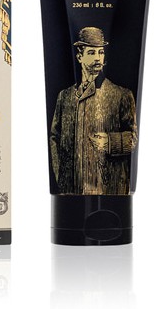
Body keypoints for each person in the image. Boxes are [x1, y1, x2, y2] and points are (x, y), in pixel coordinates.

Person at [50, 27, 138, 195]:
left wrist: (111, 142)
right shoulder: (65, 97)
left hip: (109, 189)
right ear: (80, 57)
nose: (98, 58)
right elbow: (55, 137)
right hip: (70, 191)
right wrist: (61, 177)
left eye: (101, 52)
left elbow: (133, 138)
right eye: (91, 53)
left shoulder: (121, 95)